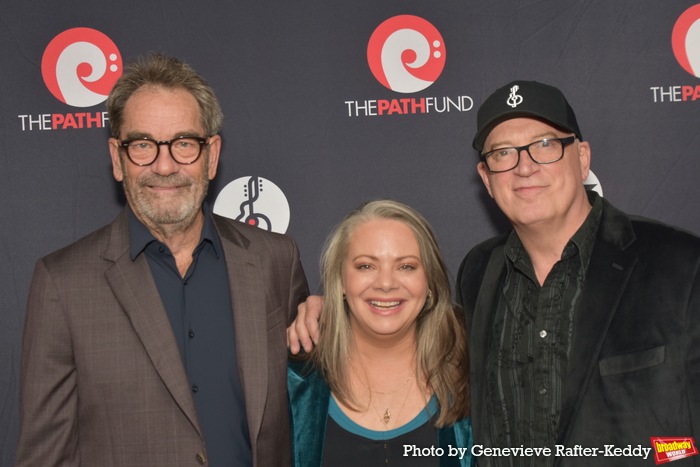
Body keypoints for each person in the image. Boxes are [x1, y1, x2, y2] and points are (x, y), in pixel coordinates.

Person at [288, 81, 700, 466]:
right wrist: (327, 307)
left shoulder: (680, 265)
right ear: (486, 178)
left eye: (544, 144)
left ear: (581, 156)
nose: (524, 167)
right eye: (503, 153)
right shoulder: (479, 272)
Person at [16, 52, 308, 467]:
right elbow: (46, 456)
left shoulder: (275, 259)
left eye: (184, 143)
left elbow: (312, 404)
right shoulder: (63, 283)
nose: (165, 165)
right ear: (117, 158)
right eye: (143, 145)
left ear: (212, 155)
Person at [288, 200, 473, 467]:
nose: (386, 283)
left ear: (430, 282)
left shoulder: (472, 376)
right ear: (340, 282)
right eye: (366, 266)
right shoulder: (295, 384)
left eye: (406, 266)